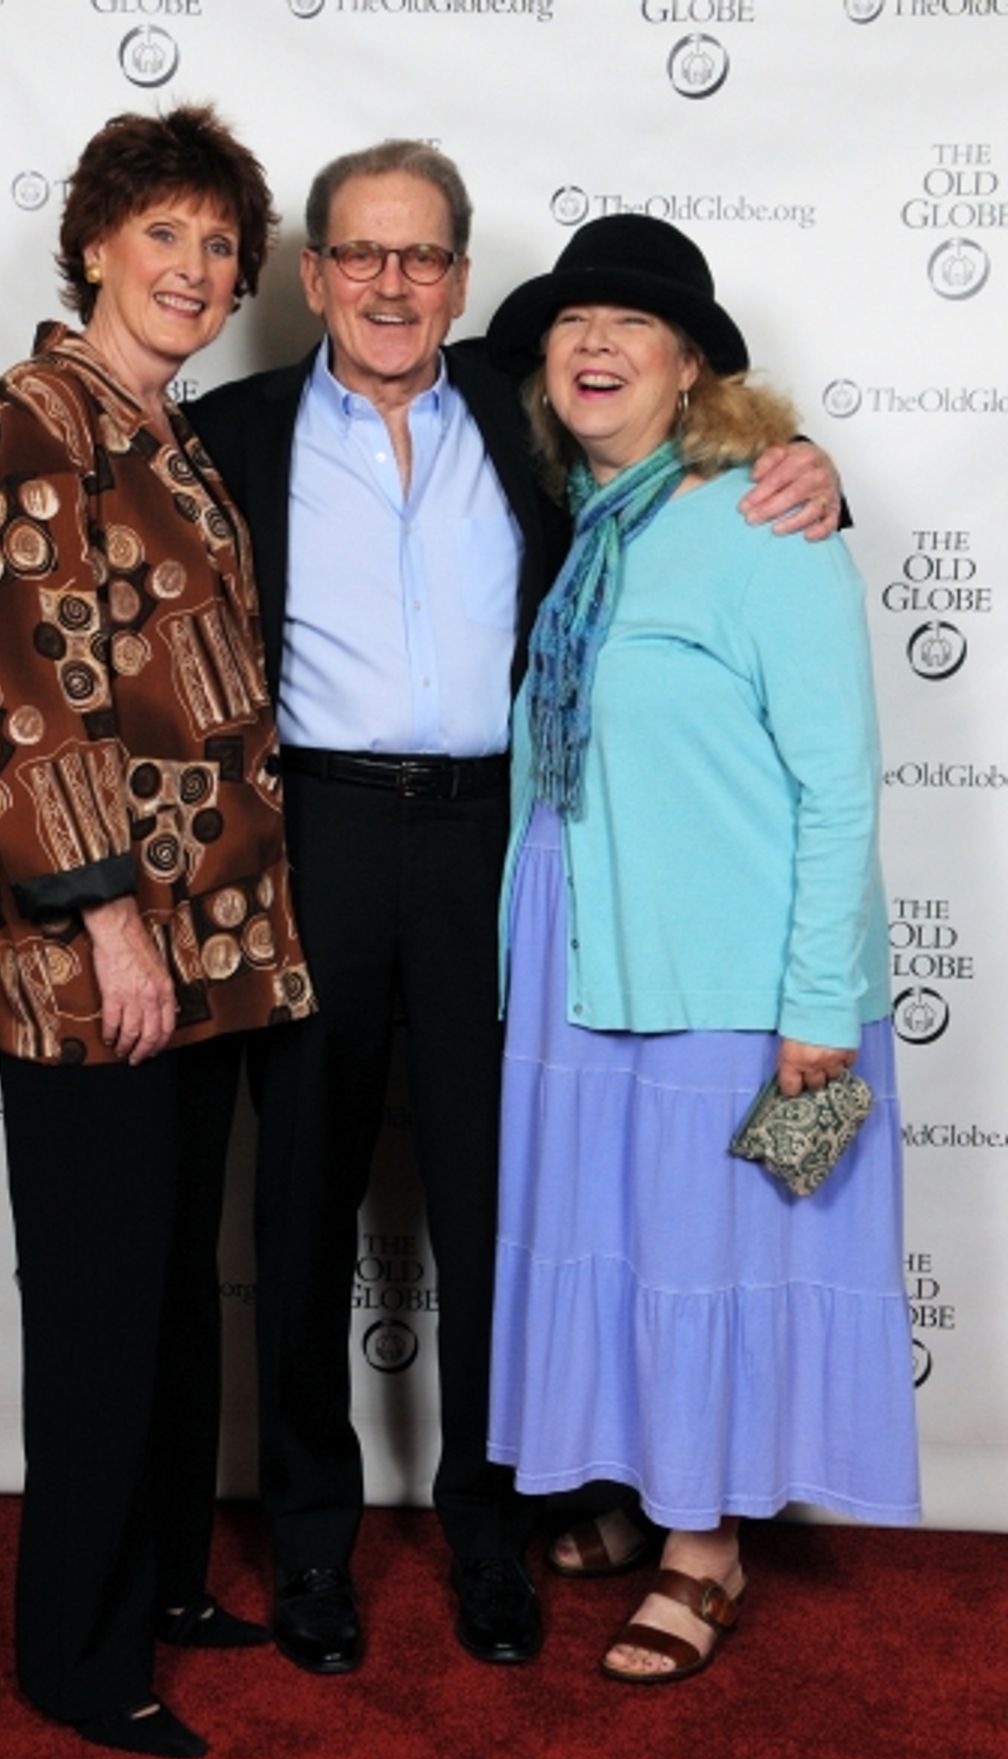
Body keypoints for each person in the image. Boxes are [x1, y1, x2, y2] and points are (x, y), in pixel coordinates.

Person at [187, 140, 843, 1675]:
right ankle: (308, 1543)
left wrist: (820, 474)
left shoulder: (526, 408)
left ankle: (493, 1531)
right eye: (361, 256)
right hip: (317, 837)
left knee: (506, 1203)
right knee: (296, 1200)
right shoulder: (231, 430)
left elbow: (697, 468)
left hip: (499, 845)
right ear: (313, 275)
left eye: (422, 258)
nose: (391, 284)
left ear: (465, 284)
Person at [483, 214, 921, 1684]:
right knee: (618, 1247)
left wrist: (817, 1013)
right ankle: (641, 1482)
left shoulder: (762, 522)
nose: (596, 343)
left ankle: (708, 1549)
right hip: (584, 957)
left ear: (692, 374)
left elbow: (838, 781)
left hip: (730, 982)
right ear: (545, 367)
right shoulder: (591, 523)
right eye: (571, 323)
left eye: (635, 326)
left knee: (717, 1254)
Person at [0, 107, 313, 1759]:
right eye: (165, 234)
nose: (197, 268)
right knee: (103, 1304)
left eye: (223, 246)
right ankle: (76, 1654)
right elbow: (37, 697)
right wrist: (109, 931)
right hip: (103, 951)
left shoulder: (166, 432)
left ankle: (165, 1578)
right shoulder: (39, 419)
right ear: (95, 243)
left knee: (173, 1289)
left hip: (216, 936)